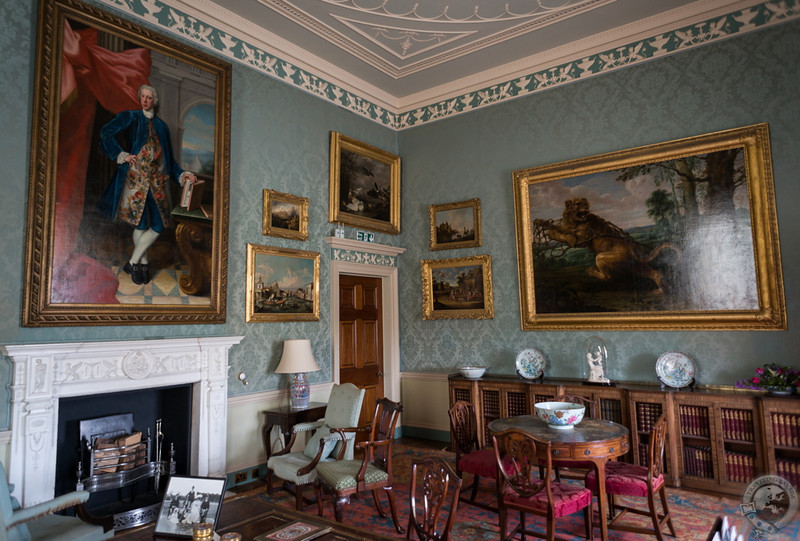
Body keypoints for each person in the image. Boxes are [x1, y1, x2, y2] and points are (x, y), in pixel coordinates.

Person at [97, 84, 196, 285]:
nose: (145, 100)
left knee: (158, 225)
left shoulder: (162, 127)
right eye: (142, 96)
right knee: (140, 224)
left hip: (157, 184)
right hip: (135, 182)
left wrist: (183, 174)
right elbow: (106, 133)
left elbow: (169, 159)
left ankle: (132, 262)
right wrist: (121, 154)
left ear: (155, 101)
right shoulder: (131, 117)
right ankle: (142, 266)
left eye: (149, 97)